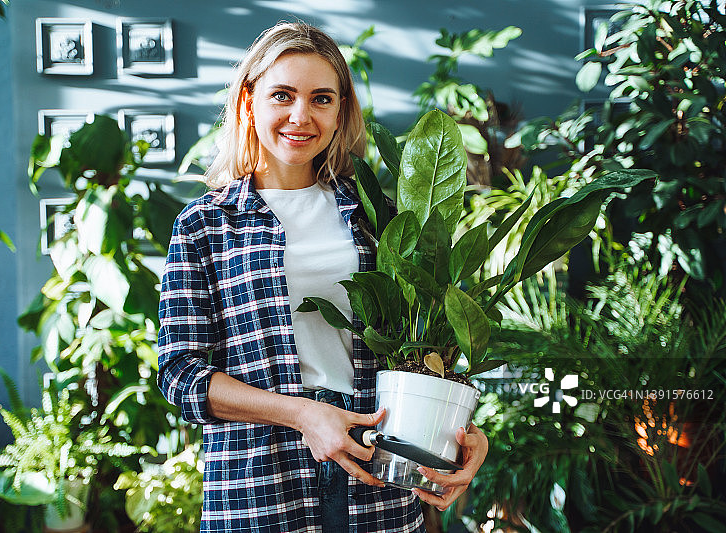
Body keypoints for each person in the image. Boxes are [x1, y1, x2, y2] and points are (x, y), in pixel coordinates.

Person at [157, 21, 488, 532]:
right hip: (259, 488)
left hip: (376, 488)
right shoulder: (205, 225)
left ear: (340, 113)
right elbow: (181, 376)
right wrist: (302, 414)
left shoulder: (377, 218)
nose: (300, 116)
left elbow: (427, 352)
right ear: (249, 102)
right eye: (282, 96)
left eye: (321, 99)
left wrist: (464, 431)